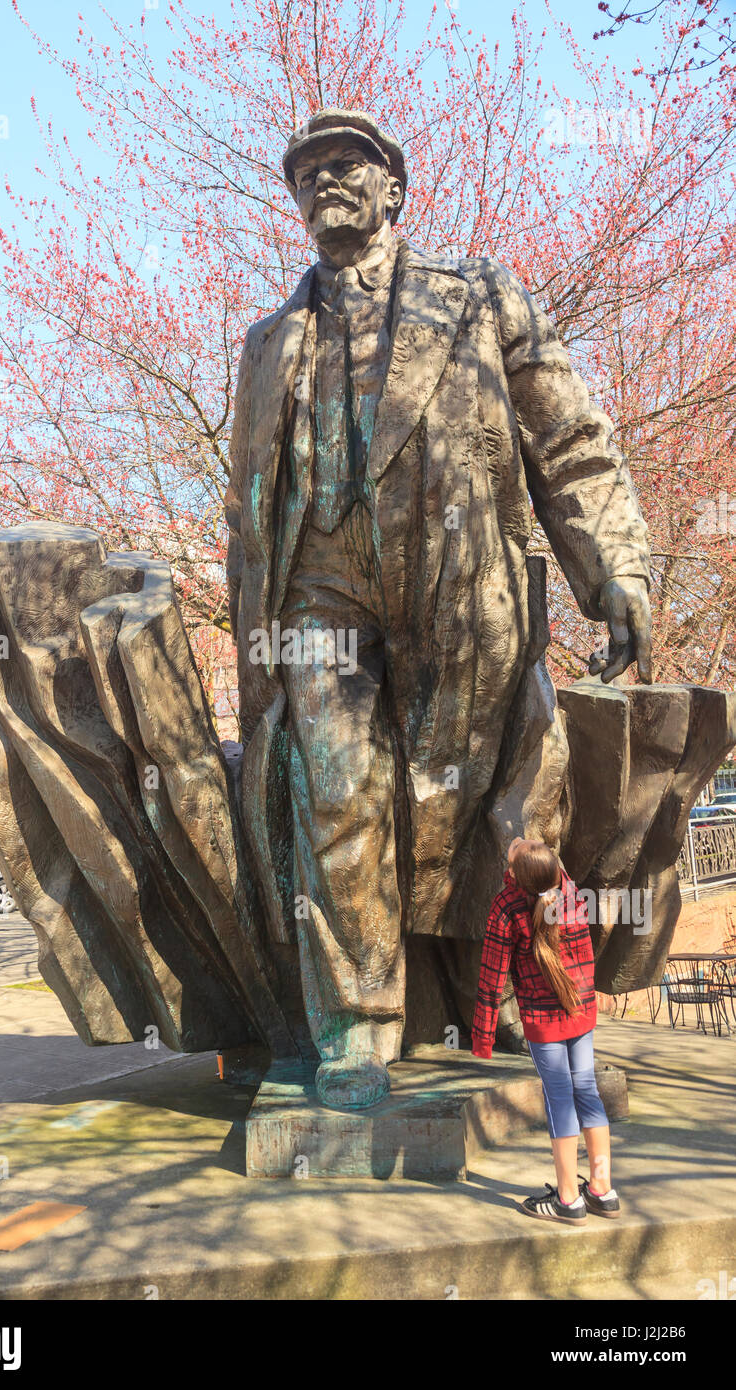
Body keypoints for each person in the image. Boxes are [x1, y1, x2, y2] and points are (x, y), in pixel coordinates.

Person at [225, 106, 652, 1110]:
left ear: (394, 191)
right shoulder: (266, 342)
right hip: (318, 596)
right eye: (307, 172)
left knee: (474, 803)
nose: (325, 181)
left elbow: (569, 440)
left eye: (347, 165)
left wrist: (613, 573)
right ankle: (355, 1034)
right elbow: (249, 506)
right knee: (334, 792)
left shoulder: (474, 298)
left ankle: (491, 994)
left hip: (463, 590)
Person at [471, 836, 621, 1224]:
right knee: (585, 1090)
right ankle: (602, 1190)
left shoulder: (508, 905)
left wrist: (483, 1036)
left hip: (545, 1021)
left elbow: (491, 977)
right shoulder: (569, 892)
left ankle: (569, 1199)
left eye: (521, 846)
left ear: (515, 874)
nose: (521, 838)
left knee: (559, 1099)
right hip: (581, 1011)